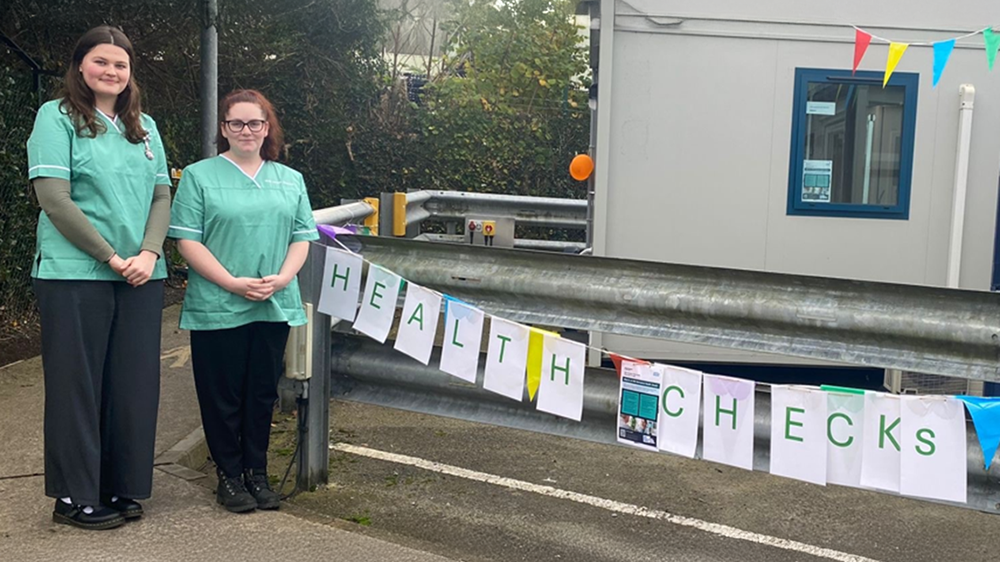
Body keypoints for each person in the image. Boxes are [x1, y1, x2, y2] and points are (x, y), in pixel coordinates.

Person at [27, 26, 171, 530]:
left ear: (131, 74)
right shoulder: (57, 117)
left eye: (121, 64)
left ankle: (119, 484)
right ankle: (74, 496)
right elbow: (54, 198)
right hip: (76, 274)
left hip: (142, 274)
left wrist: (150, 253)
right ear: (80, 66)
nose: (111, 71)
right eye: (100, 61)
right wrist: (112, 256)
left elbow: (160, 196)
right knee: (77, 386)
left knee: (132, 385)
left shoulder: (145, 126)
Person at [169, 89, 319, 513]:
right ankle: (229, 476)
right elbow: (186, 241)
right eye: (236, 123)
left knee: (260, 394)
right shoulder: (199, 176)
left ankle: (258, 472)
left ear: (267, 128)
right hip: (219, 304)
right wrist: (233, 283)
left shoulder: (290, 180)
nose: (246, 130)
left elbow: (301, 237)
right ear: (224, 129)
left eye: (255, 123)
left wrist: (283, 279)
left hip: (273, 302)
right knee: (222, 395)